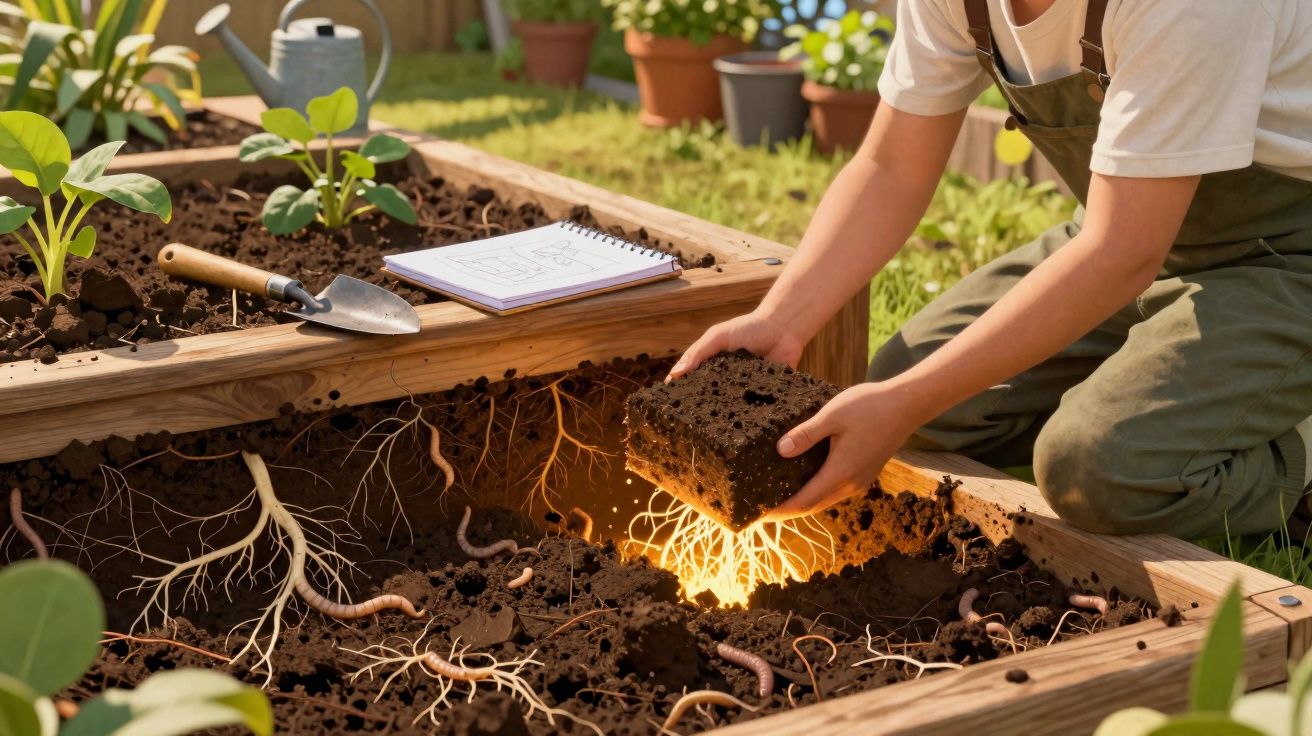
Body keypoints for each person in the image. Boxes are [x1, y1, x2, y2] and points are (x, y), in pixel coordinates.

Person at [669, 0, 1312, 538]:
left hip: (1286, 257)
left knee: (1094, 470)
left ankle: (1297, 453)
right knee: (911, 393)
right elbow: (890, 167)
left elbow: (1124, 250)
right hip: (1135, 231)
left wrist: (900, 405)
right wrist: (781, 318)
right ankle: (1169, 395)